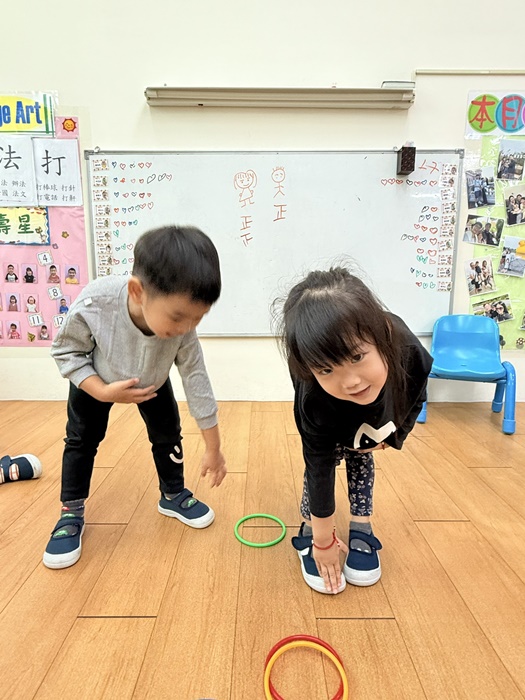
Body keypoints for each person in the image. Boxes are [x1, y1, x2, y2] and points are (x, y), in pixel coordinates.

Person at [43, 225, 227, 570]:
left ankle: (172, 494)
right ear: (137, 291)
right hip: (96, 379)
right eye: (178, 317)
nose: (186, 328)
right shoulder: (96, 302)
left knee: (168, 435)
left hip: (152, 382)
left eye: (197, 318)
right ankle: (70, 511)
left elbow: (196, 380)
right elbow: (66, 351)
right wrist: (102, 391)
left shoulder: (184, 327)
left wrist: (214, 449)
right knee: (81, 440)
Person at [275, 267, 432, 594]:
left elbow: (418, 393)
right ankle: (309, 527)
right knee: (322, 462)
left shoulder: (407, 350)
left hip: (374, 416)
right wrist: (323, 541)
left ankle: (361, 526)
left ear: (381, 335)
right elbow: (318, 466)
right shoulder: (313, 397)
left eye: (357, 356)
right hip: (326, 413)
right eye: (325, 369)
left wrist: (395, 436)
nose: (350, 381)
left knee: (361, 455)